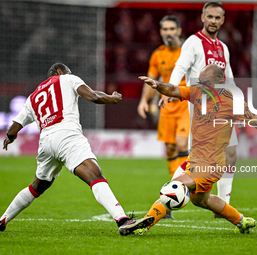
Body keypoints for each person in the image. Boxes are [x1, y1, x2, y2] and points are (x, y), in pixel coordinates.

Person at [119, 63, 257, 235]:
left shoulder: (233, 102)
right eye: (200, 82)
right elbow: (174, 89)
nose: (202, 85)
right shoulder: (198, 92)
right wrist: (157, 85)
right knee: (202, 200)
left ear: (220, 82)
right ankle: (242, 221)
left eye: (207, 82)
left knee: (174, 187)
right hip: (195, 159)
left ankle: (143, 226)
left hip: (211, 164)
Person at [0, 63, 154, 235]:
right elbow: (93, 96)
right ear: (60, 72)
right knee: (95, 175)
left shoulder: (33, 97)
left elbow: (12, 129)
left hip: (45, 143)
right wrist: (112, 98)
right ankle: (123, 220)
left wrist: (9, 139)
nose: (70, 74)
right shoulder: (68, 78)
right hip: (67, 135)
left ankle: (3, 220)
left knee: (37, 186)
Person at [162, 2, 238, 209]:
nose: (213, 21)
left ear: (222, 20)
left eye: (217, 17)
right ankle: (166, 195)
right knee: (195, 159)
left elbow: (229, 80)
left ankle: (224, 205)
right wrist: (170, 89)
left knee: (230, 153)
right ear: (202, 17)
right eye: (210, 16)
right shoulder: (193, 42)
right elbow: (180, 66)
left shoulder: (223, 48)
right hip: (202, 112)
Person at [137, 16, 190, 179]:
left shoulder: (188, 52)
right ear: (161, 32)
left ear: (179, 31)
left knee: (182, 143)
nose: (169, 33)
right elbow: (151, 80)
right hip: (165, 106)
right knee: (170, 148)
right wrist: (143, 101)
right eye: (165, 29)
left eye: (172, 29)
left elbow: (199, 80)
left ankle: (184, 182)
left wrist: (180, 93)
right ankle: (175, 184)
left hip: (186, 105)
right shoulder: (157, 55)